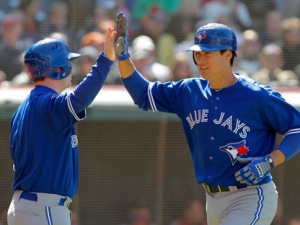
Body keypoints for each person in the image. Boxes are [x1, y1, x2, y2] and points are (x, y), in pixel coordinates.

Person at [113, 12, 300, 225]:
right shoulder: (189, 90)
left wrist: (269, 161)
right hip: (212, 199)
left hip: (250, 195)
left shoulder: (257, 96)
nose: (200, 59)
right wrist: (123, 57)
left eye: (208, 54)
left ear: (228, 54)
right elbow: (143, 96)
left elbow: (297, 129)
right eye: (197, 54)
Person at [7, 26, 116, 225]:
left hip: (25, 206)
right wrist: (106, 60)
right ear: (57, 68)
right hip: (44, 208)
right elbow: (79, 99)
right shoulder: (47, 104)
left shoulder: (22, 110)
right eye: (67, 62)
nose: (71, 67)